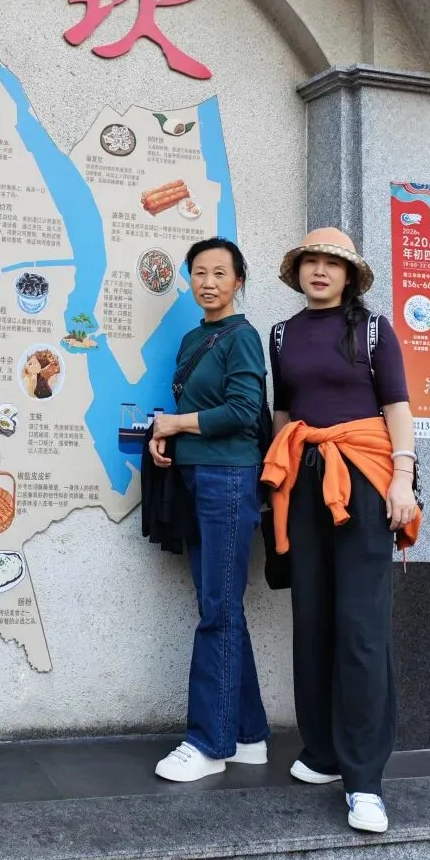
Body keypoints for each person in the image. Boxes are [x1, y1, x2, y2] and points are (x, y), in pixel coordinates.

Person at [262, 228, 420, 836]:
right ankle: (324, 752)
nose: (320, 271)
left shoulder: (375, 330)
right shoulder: (282, 334)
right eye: (311, 262)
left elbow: (397, 407)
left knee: (360, 628)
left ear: (350, 275)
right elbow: (283, 411)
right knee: (312, 620)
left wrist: (402, 481)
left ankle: (364, 780)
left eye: (332, 263)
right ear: (298, 271)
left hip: (364, 478)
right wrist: (274, 478)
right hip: (303, 481)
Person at [142, 236, 271, 782]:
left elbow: (243, 411)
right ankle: (248, 737)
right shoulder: (195, 337)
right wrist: (166, 436)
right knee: (221, 605)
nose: (209, 282)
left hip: (230, 480)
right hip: (196, 477)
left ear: (238, 281)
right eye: (199, 272)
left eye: (220, 273)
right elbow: (197, 410)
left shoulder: (243, 337)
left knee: (218, 608)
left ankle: (208, 744)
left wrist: (175, 423)